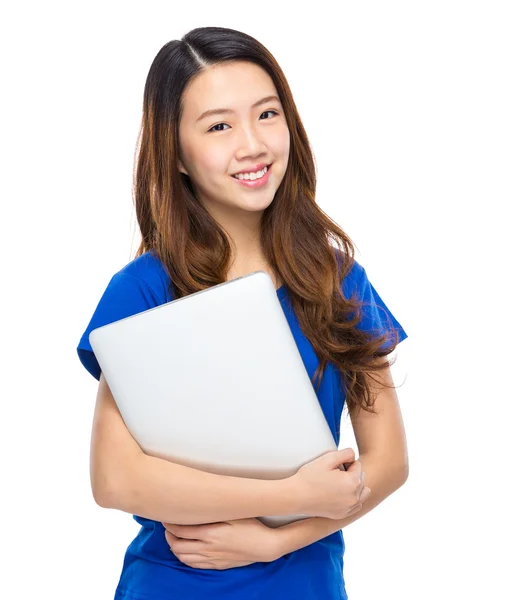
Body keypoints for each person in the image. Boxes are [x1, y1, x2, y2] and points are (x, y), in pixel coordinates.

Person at [76, 26, 409, 600]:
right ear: (175, 153)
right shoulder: (145, 289)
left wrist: (278, 539)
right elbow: (114, 479)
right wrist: (289, 497)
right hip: (174, 583)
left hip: (307, 582)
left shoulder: (338, 280)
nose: (252, 145)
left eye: (267, 114)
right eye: (219, 126)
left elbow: (390, 460)